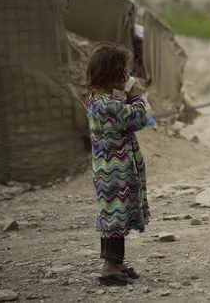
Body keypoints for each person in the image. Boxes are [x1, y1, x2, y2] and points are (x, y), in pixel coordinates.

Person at [86, 43, 153, 286]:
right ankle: (109, 268)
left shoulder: (100, 99)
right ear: (112, 73)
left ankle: (117, 262)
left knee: (117, 214)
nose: (127, 76)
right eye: (123, 71)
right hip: (115, 171)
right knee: (115, 216)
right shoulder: (108, 105)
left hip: (111, 169)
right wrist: (135, 94)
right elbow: (139, 117)